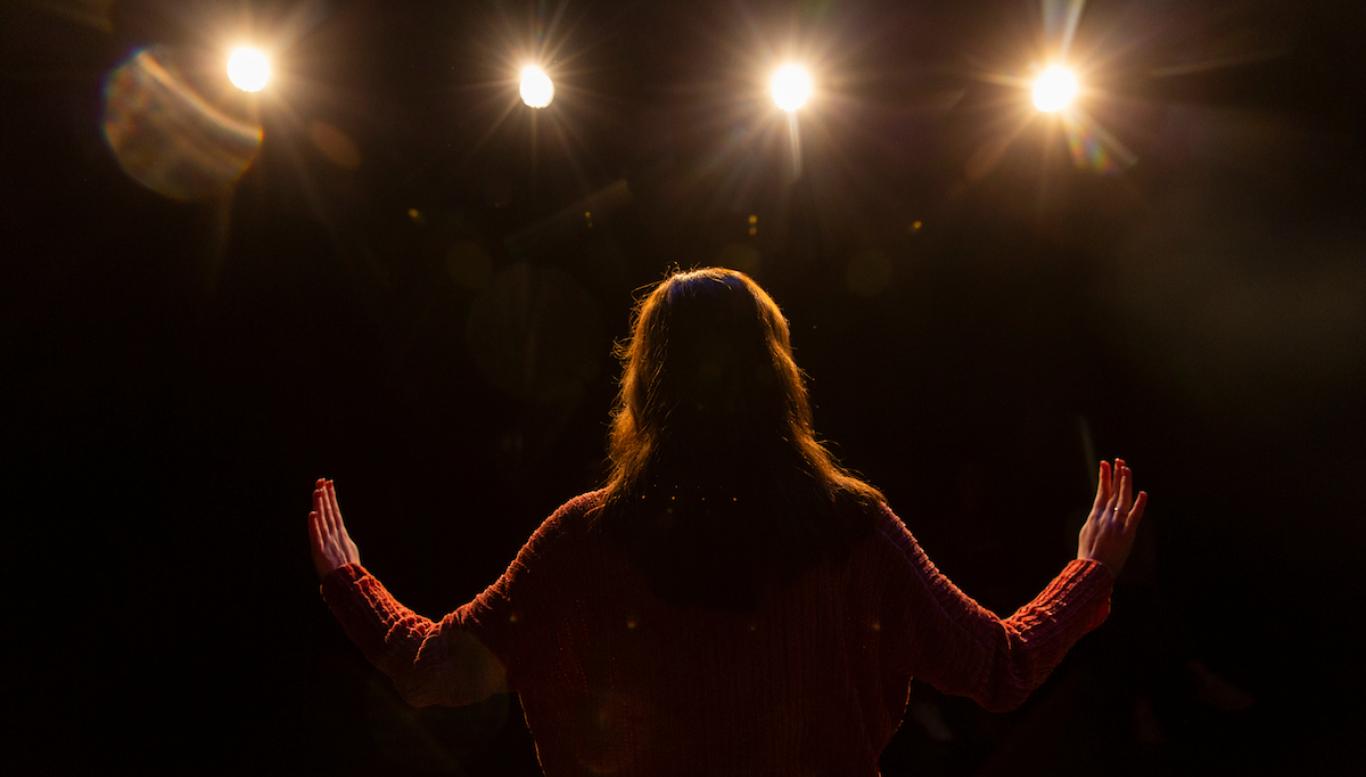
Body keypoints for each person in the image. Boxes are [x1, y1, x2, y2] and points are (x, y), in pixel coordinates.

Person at [309, 267, 1147, 776]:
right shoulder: (851, 530)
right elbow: (1001, 666)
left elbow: (434, 671)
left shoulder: (583, 541)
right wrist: (1089, 573)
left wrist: (350, 583)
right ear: (778, 379)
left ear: (646, 387)